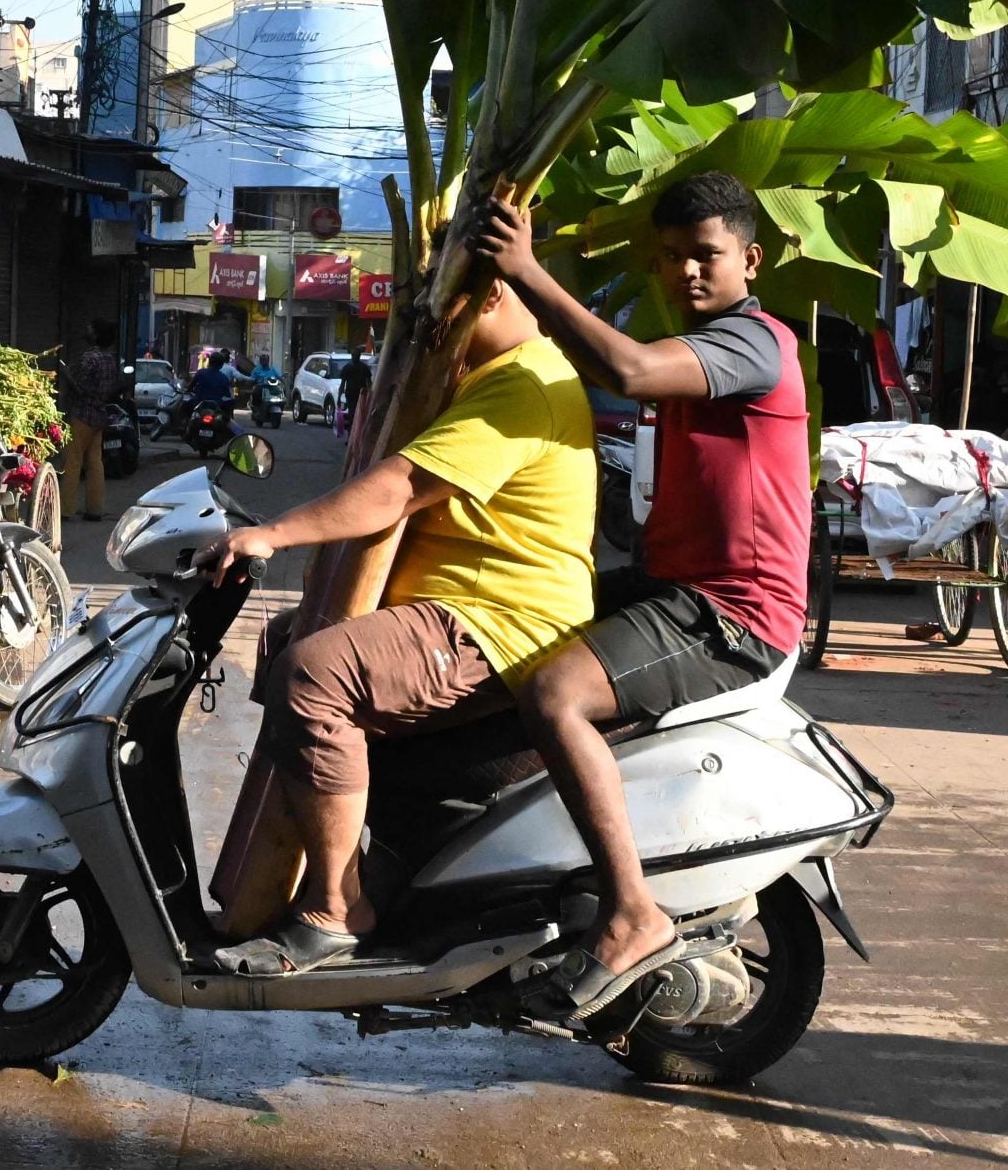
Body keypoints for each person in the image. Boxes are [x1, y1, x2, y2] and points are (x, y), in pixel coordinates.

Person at [467, 170, 810, 1020]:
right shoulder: (700, 350)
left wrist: (526, 268)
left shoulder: (754, 342)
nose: (687, 273)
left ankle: (631, 912)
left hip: (732, 613)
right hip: (676, 588)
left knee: (555, 692)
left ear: (750, 261)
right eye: (670, 258)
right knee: (510, 636)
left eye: (706, 256)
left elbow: (625, 366)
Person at [199, 276, 595, 974]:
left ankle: (336, 907)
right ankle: (356, 861)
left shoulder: (523, 382)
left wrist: (276, 533)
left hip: (497, 621)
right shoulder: (490, 375)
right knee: (284, 641)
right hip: (459, 606)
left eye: (437, 311)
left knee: (314, 674)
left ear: (490, 290)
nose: (426, 332)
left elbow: (399, 487)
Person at [53, 318, 121, 523]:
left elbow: (80, 387)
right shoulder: (110, 360)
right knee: (95, 462)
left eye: (90, 328)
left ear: (96, 335)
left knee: (72, 461)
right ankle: (95, 509)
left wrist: (65, 375)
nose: (87, 329)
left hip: (82, 414)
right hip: (99, 415)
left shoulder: (89, 358)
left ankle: (66, 509)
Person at [338, 347, 374, 436]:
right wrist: (339, 397)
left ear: (359, 356)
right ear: (352, 356)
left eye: (357, 356)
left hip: (362, 395)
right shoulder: (347, 368)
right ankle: (351, 436)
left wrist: (371, 395)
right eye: (354, 355)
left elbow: (369, 383)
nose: (355, 357)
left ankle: (357, 435)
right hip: (351, 395)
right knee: (352, 415)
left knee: (360, 416)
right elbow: (342, 384)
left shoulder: (364, 368)